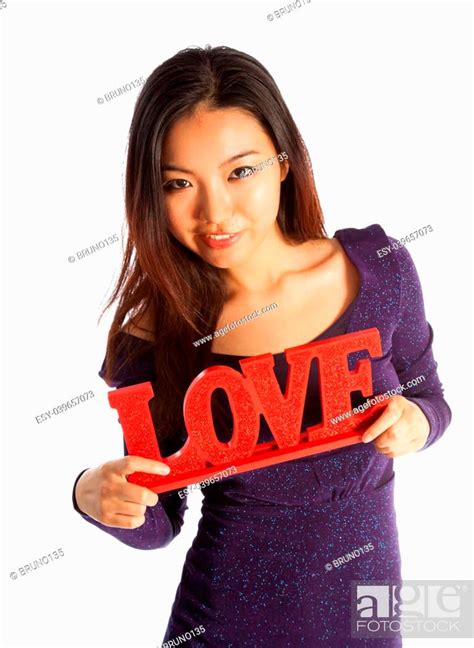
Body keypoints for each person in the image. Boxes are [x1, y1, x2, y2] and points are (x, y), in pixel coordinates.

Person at [72, 45, 451, 647]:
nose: (214, 211)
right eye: (178, 183)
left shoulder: (379, 270)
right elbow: (160, 519)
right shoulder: (155, 334)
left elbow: (429, 396)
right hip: (224, 625)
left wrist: (418, 422)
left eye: (240, 170)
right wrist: (94, 493)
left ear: (284, 161)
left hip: (369, 621)